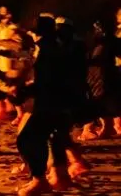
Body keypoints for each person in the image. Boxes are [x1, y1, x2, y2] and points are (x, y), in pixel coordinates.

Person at [16, 17, 87, 195]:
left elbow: (48, 82)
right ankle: (60, 176)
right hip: (62, 103)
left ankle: (39, 179)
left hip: (51, 104)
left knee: (27, 139)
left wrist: (25, 91)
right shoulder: (57, 48)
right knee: (55, 137)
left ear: (37, 34)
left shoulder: (48, 52)